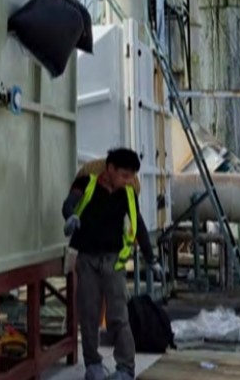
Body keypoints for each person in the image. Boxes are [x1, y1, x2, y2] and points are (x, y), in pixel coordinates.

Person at [62, 148, 163, 380]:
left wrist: (151, 259)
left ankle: (125, 368)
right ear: (110, 169)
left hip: (113, 262)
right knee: (89, 315)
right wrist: (70, 217)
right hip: (87, 260)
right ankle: (93, 365)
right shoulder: (86, 183)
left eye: (132, 176)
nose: (128, 181)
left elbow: (139, 226)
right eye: (124, 175)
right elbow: (69, 203)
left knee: (119, 316)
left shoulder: (128, 193)